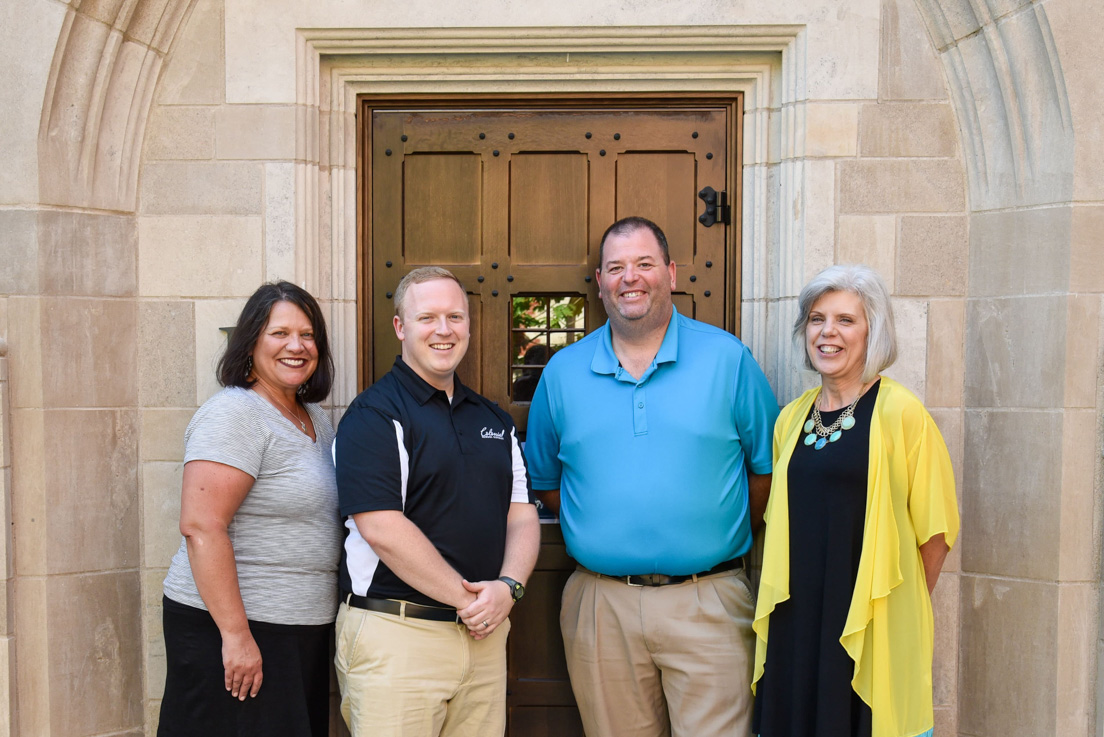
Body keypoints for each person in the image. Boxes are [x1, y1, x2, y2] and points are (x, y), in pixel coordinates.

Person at [525, 216, 780, 737]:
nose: (630, 278)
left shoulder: (728, 360)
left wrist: (713, 533)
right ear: (599, 281)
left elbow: (766, 471)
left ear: (672, 272)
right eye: (616, 267)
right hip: (601, 606)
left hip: (709, 599)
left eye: (644, 264)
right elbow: (548, 482)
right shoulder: (562, 372)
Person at [751, 264, 960, 737]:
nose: (828, 333)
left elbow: (937, 533)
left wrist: (895, 610)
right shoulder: (791, 419)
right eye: (817, 318)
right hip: (797, 618)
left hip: (869, 623)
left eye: (846, 320)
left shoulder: (903, 413)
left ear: (873, 332)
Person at [333, 266, 541, 737]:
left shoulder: (492, 419)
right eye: (427, 317)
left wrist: (508, 587)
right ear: (400, 328)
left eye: (455, 317)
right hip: (398, 636)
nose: (444, 330)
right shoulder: (372, 416)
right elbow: (382, 528)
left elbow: (521, 515)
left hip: (484, 638)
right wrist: (471, 601)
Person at [159, 281, 340, 737]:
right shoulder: (235, 414)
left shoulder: (314, 417)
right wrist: (236, 636)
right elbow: (201, 527)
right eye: (279, 333)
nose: (296, 346)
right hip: (238, 629)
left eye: (307, 334)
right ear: (251, 342)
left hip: (298, 629)